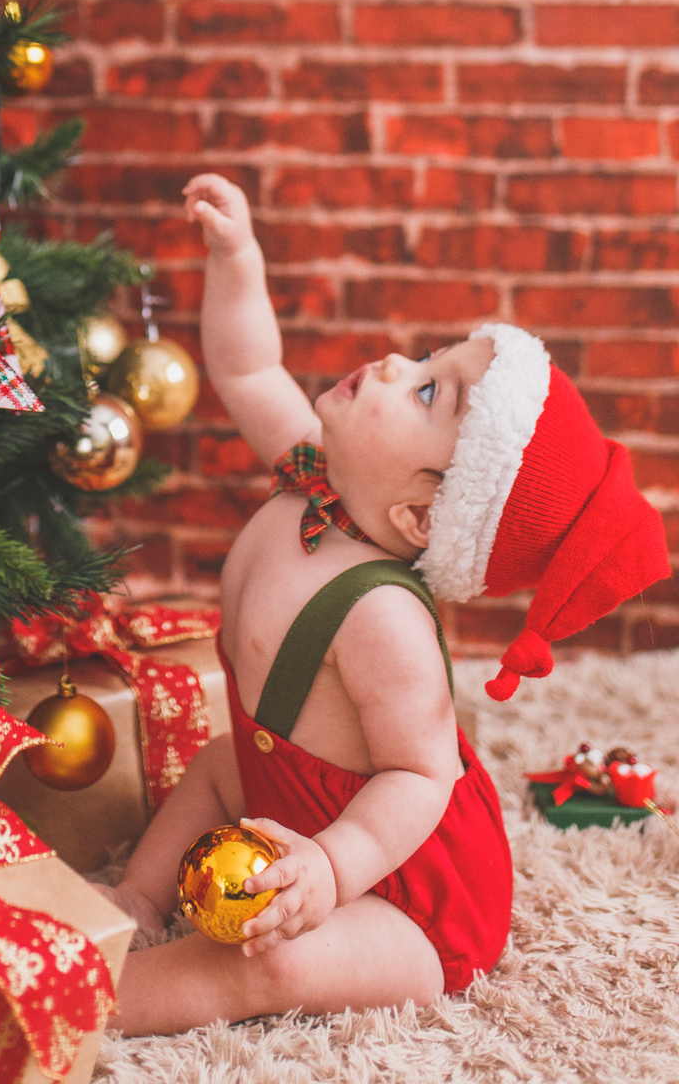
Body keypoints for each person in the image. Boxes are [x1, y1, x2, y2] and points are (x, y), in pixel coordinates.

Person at [104, 172, 669, 1037]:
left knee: (275, 962)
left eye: (428, 392)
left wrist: (331, 870)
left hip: (414, 890)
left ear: (418, 515)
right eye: (431, 358)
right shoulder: (310, 474)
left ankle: (90, 1001)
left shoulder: (384, 618)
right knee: (220, 762)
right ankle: (136, 899)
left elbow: (421, 773)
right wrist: (237, 257)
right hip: (285, 788)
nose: (398, 363)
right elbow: (248, 367)